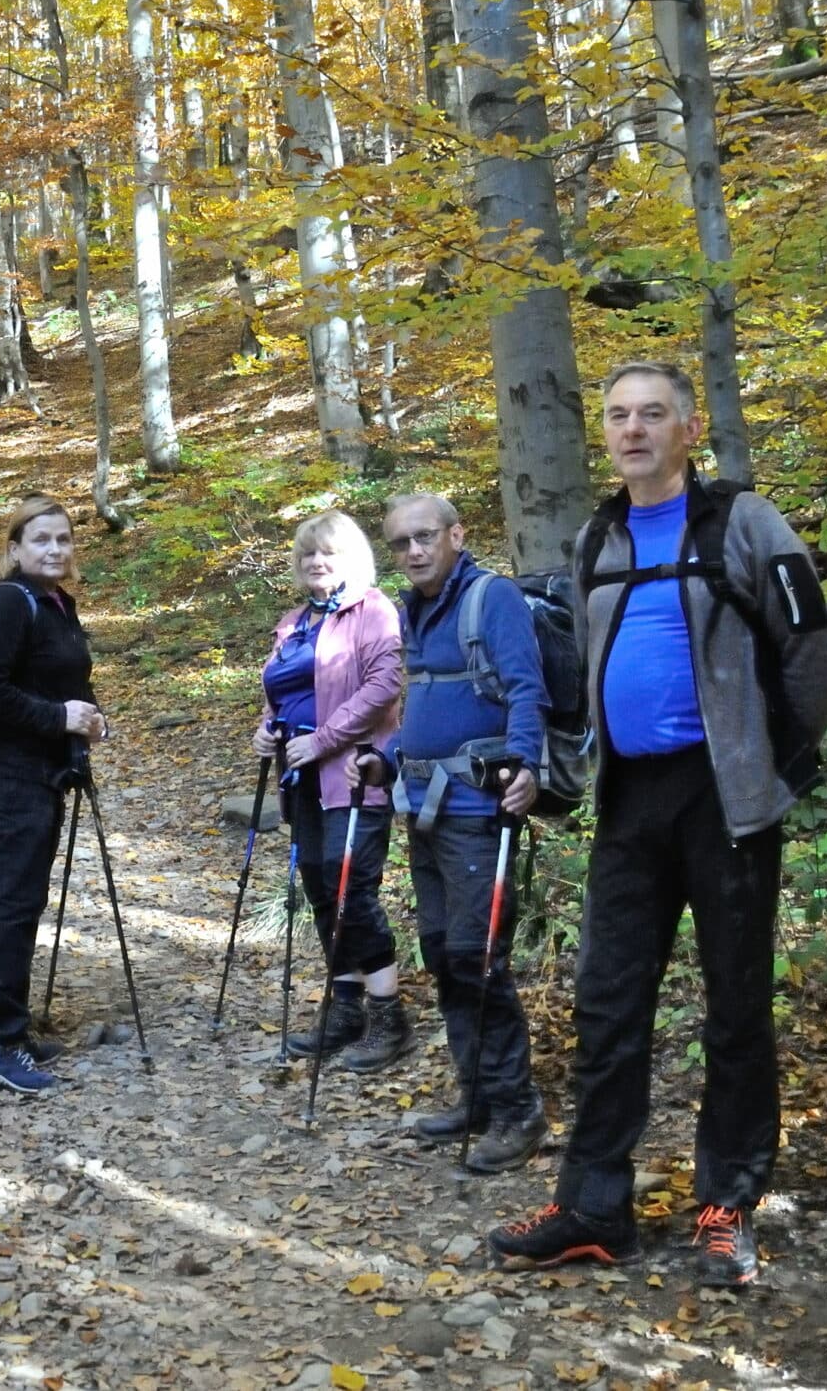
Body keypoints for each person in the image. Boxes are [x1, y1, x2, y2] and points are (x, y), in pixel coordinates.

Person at [491, 361, 827, 1286]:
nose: (633, 429)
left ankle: (728, 1203)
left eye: (653, 414)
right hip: (630, 801)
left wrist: (776, 764)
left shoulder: (745, 524)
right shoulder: (597, 538)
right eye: (618, 415)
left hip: (726, 800)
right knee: (607, 1003)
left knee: (735, 1006)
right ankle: (594, 1208)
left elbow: (812, 650)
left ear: (689, 430)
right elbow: (582, 667)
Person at [363, 494, 549, 1174]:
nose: (414, 551)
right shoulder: (414, 608)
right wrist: (384, 758)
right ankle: (477, 1097)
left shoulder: (491, 598)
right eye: (401, 543)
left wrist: (525, 763)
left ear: (456, 535)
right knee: (443, 952)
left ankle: (517, 1111)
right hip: (424, 806)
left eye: (425, 537)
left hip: (477, 809)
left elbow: (526, 689)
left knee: (477, 955)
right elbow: (424, 703)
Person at [0, 494, 108, 1095]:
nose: (55, 549)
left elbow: (63, 681)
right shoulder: (8, 602)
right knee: (11, 904)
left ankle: (9, 1030)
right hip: (4, 773)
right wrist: (58, 718)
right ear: (15, 549)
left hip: (39, 772)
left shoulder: (56, 603)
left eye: (63, 539)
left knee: (22, 901)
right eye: (41, 539)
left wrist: (89, 717)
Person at [248, 510, 408, 1072]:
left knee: (350, 887)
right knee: (319, 886)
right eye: (308, 554)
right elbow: (280, 691)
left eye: (328, 552)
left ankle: (388, 1015)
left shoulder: (373, 611)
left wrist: (324, 740)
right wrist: (267, 729)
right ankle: (345, 1008)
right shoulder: (294, 622)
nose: (316, 562)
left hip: (354, 774)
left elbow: (384, 686)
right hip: (303, 778)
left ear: (352, 559)